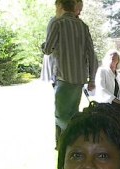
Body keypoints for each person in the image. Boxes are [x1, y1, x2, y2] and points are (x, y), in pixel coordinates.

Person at [42, 0, 98, 148]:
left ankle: (75, 143)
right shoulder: (83, 26)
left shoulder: (57, 24)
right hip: (79, 79)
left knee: (61, 117)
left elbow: (48, 49)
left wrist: (44, 45)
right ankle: (68, 148)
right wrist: (92, 78)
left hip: (63, 77)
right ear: (73, 6)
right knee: (73, 114)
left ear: (60, 6)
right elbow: (91, 54)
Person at [95, 49, 120, 119]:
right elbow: (101, 89)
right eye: (110, 55)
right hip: (105, 104)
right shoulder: (102, 71)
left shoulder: (119, 76)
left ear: (118, 60)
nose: (112, 56)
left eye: (115, 56)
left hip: (116, 104)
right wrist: (116, 100)